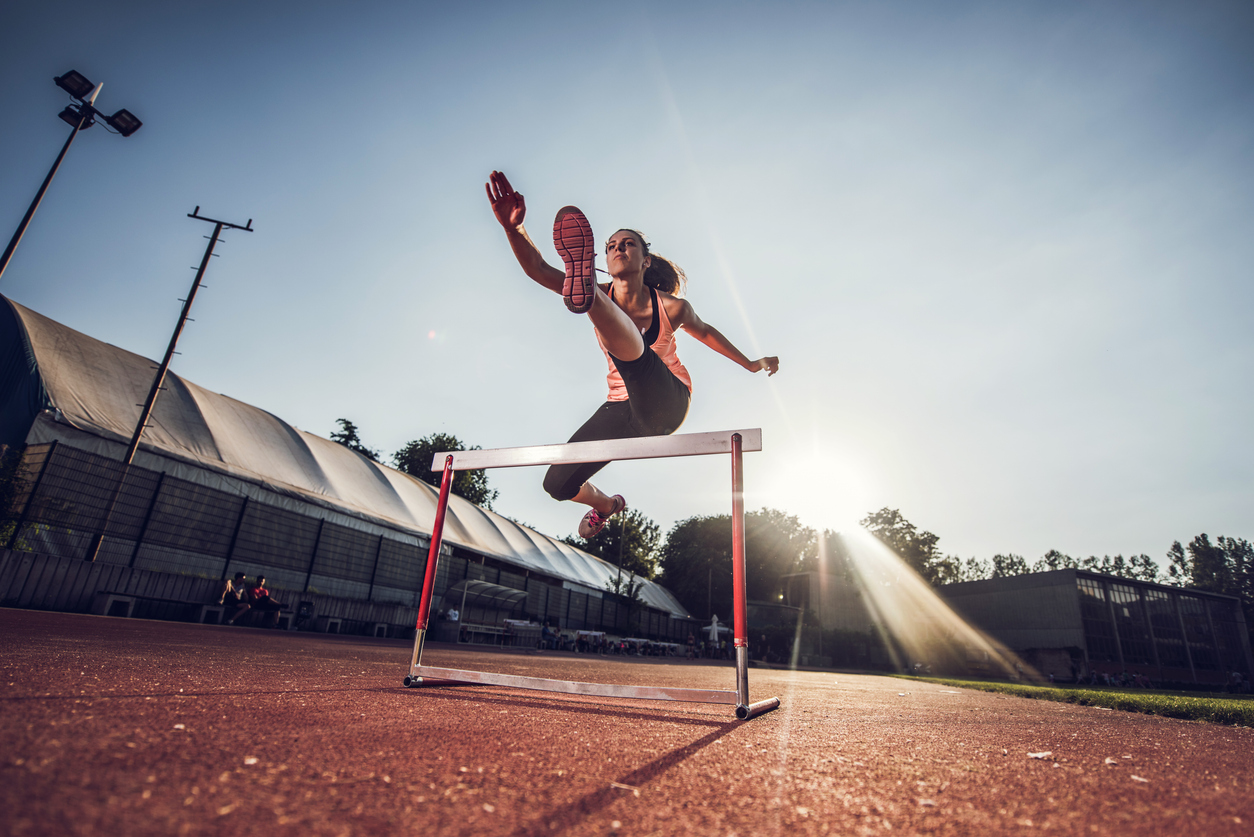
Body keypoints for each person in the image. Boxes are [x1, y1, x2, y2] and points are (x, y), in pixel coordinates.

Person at [486, 171, 779, 537]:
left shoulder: (673, 308)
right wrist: (514, 229)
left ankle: (588, 298)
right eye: (610, 247)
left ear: (645, 261)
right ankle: (607, 505)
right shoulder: (603, 285)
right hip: (620, 409)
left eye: (628, 244)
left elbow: (707, 334)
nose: (619, 249)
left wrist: (751, 363)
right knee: (556, 484)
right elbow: (539, 269)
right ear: (605, 261)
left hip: (666, 402)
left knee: (636, 356)